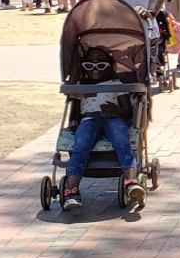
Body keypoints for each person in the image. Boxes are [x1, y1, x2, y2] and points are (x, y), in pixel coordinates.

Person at [62, 45, 145, 210]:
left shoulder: (116, 83)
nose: (95, 68)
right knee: (80, 146)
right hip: (89, 119)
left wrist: (114, 109)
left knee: (122, 141)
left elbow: (127, 111)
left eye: (100, 63)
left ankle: (131, 182)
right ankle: (71, 191)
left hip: (113, 117)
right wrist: (73, 122)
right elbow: (76, 111)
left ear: (110, 66)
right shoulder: (81, 86)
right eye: (90, 63)